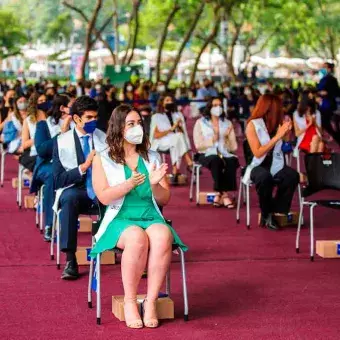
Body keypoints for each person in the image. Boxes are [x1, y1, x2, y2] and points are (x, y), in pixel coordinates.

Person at [90, 104, 187, 329]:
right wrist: (128, 184)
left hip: (149, 215)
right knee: (136, 238)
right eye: (131, 124)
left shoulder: (152, 156)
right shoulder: (102, 158)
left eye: (139, 124)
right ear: (118, 128)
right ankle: (131, 302)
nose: (137, 128)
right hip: (119, 217)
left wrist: (154, 185)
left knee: (163, 235)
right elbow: (104, 197)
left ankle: (151, 301)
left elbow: (164, 199)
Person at [52, 96, 107, 280]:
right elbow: (58, 180)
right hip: (78, 190)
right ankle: (70, 259)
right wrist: (84, 166)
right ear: (76, 118)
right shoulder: (61, 141)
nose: (93, 121)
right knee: (68, 198)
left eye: (95, 117)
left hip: (102, 189)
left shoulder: (103, 138)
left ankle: (127, 250)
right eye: (89, 118)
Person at [245, 94, 299, 230]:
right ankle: (266, 214)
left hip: (276, 163)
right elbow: (258, 152)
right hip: (258, 164)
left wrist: (286, 135)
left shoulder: (277, 123)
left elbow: (285, 146)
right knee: (264, 178)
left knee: (292, 176)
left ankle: (274, 210)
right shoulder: (253, 125)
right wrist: (277, 136)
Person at [31, 95, 71, 241]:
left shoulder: (79, 124)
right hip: (47, 164)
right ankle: (49, 224)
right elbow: (42, 150)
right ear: (62, 108)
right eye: (71, 105)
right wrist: (62, 134)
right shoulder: (44, 124)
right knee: (52, 175)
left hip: (71, 165)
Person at [193, 97, 239, 208]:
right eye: (214, 105)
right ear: (209, 108)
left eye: (219, 105)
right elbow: (198, 145)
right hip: (206, 153)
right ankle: (225, 195)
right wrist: (213, 139)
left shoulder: (227, 123)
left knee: (232, 160)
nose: (217, 108)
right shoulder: (200, 122)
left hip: (225, 152)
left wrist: (227, 137)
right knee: (216, 160)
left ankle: (219, 194)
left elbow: (234, 147)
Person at [150, 94, 193, 182]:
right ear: (162, 103)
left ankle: (174, 171)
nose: (170, 102)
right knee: (177, 138)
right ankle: (188, 162)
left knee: (177, 139)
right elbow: (156, 135)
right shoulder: (156, 116)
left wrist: (179, 126)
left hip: (175, 141)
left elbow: (182, 133)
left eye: (171, 100)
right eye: (167, 100)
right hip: (161, 141)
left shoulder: (178, 114)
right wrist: (172, 129)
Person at [20, 93, 47, 172]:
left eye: (45, 101)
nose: (43, 103)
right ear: (35, 103)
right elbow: (24, 144)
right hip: (36, 152)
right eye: (41, 101)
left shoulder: (52, 117)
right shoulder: (28, 120)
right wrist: (40, 138)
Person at [318, 62, 340, 145]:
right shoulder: (324, 78)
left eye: (324, 67)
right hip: (324, 105)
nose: (322, 69)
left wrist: (327, 93)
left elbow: (336, 92)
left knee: (326, 123)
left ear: (329, 69)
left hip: (328, 105)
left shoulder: (331, 79)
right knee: (326, 124)